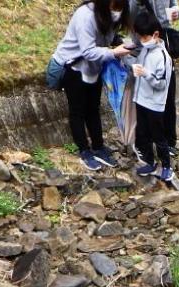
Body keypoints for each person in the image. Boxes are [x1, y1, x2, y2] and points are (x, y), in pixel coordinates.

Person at [51, 0, 131, 172]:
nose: (117, 11)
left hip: (94, 66)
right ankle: (84, 150)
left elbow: (109, 37)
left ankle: (98, 146)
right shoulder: (85, 15)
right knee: (78, 110)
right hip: (73, 66)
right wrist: (114, 52)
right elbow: (87, 51)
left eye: (120, 8)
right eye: (115, 6)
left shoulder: (113, 13)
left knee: (93, 108)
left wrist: (121, 42)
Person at [129, 0, 179, 155]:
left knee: (167, 95)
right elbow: (129, 17)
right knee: (143, 100)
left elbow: (174, 5)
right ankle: (144, 144)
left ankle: (168, 141)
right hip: (142, 48)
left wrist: (176, 12)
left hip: (162, 45)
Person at [131, 12, 174, 182]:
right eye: (139, 36)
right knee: (143, 134)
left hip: (155, 104)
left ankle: (166, 166)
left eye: (144, 37)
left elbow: (162, 84)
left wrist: (146, 74)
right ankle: (150, 162)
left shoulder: (162, 56)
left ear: (156, 35)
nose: (141, 40)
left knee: (159, 137)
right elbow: (139, 65)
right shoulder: (145, 50)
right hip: (141, 100)